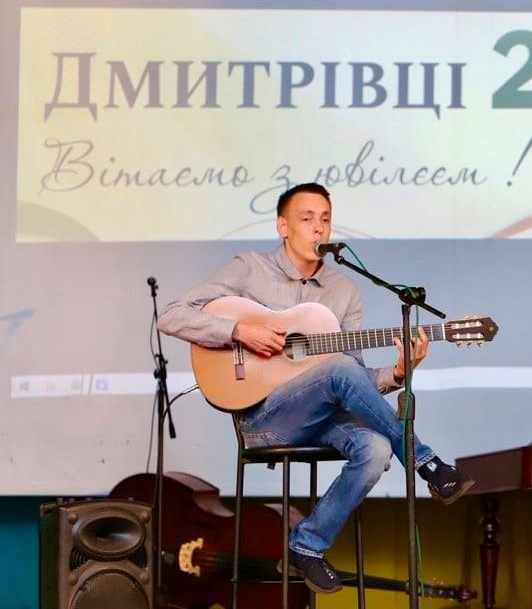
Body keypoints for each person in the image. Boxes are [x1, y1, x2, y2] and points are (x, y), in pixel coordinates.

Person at [158, 182, 474, 594]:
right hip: (264, 420)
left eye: (325, 219)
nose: (318, 228)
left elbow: (354, 380)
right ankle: (427, 463)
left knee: (376, 449)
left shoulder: (345, 291)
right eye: (306, 218)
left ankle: (306, 545)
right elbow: (171, 315)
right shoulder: (249, 269)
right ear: (282, 226)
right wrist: (239, 331)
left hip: (323, 417)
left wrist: (398, 373)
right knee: (339, 367)